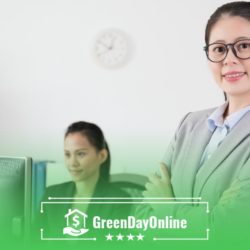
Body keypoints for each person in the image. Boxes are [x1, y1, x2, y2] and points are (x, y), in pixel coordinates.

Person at [142, 1, 250, 242]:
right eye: (219, 49)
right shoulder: (190, 124)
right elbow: (142, 212)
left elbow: (226, 229)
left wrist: (167, 208)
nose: (229, 59)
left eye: (243, 46)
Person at [37, 121, 131, 238]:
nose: (72, 163)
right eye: (67, 154)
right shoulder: (51, 195)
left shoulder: (119, 201)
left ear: (102, 156)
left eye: (81, 154)